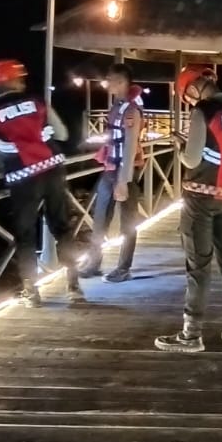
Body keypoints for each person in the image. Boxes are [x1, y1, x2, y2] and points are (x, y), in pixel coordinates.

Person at [154, 64, 222, 353]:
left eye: (187, 95)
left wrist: (180, 145)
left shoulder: (203, 112)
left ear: (194, 87)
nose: (189, 101)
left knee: (198, 266)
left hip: (199, 201)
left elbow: (191, 160)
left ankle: (192, 335)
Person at [0, 58, 84, 307]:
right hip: (53, 170)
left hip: (23, 178)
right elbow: (63, 134)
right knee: (62, 228)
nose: (23, 80)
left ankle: (31, 291)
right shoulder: (38, 103)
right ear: (12, 80)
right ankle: (74, 286)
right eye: (20, 77)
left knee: (25, 234)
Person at [81, 63, 144, 282]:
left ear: (121, 82)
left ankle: (124, 268)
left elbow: (130, 146)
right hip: (109, 168)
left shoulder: (131, 110)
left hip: (124, 171)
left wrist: (124, 180)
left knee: (128, 222)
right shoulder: (117, 105)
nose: (106, 83)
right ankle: (93, 263)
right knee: (100, 218)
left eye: (109, 79)